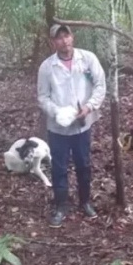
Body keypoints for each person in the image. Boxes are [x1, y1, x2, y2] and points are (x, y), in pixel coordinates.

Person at [37, 24, 106, 228]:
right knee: (59, 166)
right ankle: (61, 205)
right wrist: (57, 112)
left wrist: (89, 106)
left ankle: (85, 201)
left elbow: (100, 85)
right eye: (59, 38)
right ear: (53, 43)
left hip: (82, 124)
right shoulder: (47, 67)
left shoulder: (88, 59)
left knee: (83, 164)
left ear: (72, 38)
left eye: (66, 36)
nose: (64, 41)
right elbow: (42, 97)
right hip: (58, 128)